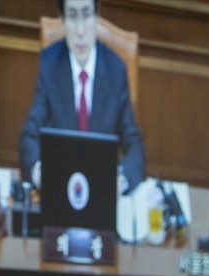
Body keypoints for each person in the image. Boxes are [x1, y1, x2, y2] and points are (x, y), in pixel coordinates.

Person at [19, 0, 145, 194]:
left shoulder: (116, 70)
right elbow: (29, 135)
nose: (80, 31)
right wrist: (39, 173)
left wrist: (120, 180)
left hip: (101, 187)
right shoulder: (49, 64)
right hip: (60, 185)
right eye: (72, 16)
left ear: (97, 14)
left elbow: (133, 143)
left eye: (86, 15)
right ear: (62, 19)